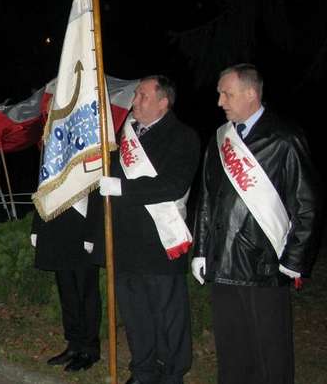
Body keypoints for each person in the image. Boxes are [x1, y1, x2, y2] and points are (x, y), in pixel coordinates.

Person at [191, 64, 320, 384]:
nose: (220, 101)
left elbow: (309, 204)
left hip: (263, 267)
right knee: (232, 350)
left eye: (227, 93)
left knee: (270, 353)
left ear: (251, 94)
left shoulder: (284, 138)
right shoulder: (221, 138)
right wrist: (201, 249)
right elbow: (207, 197)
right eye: (220, 93)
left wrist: (293, 259)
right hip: (223, 263)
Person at [95, 75, 200, 384]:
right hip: (124, 244)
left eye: (142, 96)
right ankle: (143, 370)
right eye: (136, 95)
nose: (134, 101)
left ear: (162, 102)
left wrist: (123, 188)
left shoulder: (183, 137)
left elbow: (173, 185)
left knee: (168, 317)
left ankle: (171, 373)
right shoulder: (120, 136)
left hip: (160, 244)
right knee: (135, 316)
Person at [32, 196, 101, 372]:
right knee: (67, 293)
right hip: (58, 230)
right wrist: (37, 225)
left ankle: (89, 350)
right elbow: (45, 187)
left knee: (87, 294)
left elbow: (95, 193)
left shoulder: (88, 165)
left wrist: (93, 231)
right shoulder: (52, 165)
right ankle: (74, 344)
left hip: (82, 229)